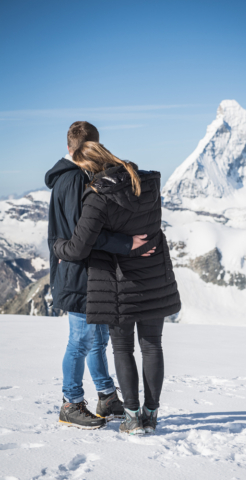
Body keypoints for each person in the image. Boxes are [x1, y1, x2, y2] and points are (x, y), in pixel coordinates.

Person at [54, 141, 181, 435]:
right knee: (152, 345)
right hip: (153, 277)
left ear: (88, 167)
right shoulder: (146, 181)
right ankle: (151, 413)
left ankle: (133, 417)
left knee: (123, 348)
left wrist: (58, 245)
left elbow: (79, 245)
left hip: (118, 281)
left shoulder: (98, 195)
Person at [45, 122, 154, 430]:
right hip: (78, 273)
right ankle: (71, 403)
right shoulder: (73, 181)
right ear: (91, 147)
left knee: (97, 339)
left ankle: (106, 396)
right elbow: (85, 235)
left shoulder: (78, 177)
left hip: (87, 272)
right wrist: (127, 244)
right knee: (80, 340)